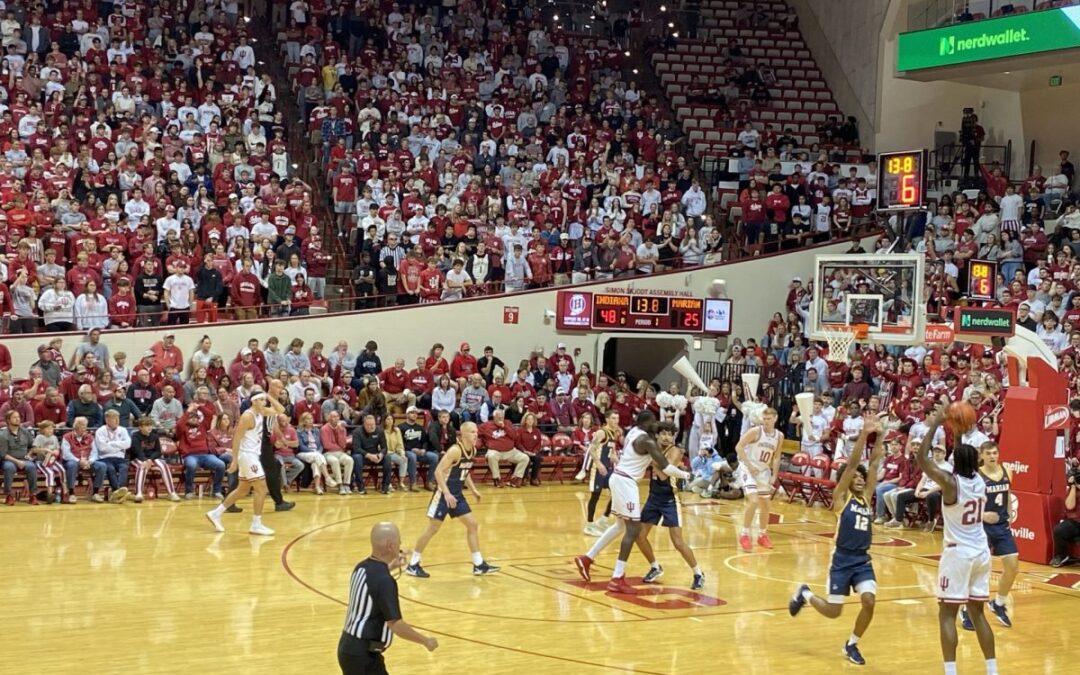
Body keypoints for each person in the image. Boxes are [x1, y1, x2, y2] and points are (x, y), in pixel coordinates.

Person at [790, 416, 886, 666]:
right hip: (842, 559)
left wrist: (882, 434)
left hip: (862, 560)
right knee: (834, 612)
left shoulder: (865, 497)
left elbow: (874, 463)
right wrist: (864, 434)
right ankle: (806, 594)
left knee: (870, 601)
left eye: (861, 478)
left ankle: (852, 643)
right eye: (855, 477)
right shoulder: (841, 498)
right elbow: (854, 463)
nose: (860, 479)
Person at [573, 411, 691, 594]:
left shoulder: (633, 432)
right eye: (653, 422)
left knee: (620, 526)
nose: (655, 424)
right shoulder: (646, 441)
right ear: (647, 423)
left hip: (621, 478)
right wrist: (686, 474)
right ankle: (617, 578)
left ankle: (587, 558)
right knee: (633, 530)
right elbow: (666, 468)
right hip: (626, 482)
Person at [917, 412, 998, 675]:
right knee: (978, 614)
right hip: (981, 552)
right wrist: (959, 429)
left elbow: (922, 459)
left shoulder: (951, 483)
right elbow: (963, 454)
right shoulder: (980, 482)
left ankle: (951, 672)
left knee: (947, 614)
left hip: (958, 554)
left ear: (954, 462)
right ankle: (992, 670)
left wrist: (937, 424)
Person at [338, 522, 439, 674]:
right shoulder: (385, 581)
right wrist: (426, 641)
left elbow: (373, 582)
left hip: (349, 648)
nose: (401, 544)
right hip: (363, 655)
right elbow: (396, 625)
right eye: (399, 540)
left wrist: (390, 567)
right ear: (390, 545)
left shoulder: (361, 567)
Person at [405, 421, 499, 578]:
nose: (475, 434)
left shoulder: (473, 450)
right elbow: (438, 472)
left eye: (476, 432)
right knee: (432, 529)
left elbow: (465, 471)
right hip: (443, 496)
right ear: (462, 434)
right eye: (471, 432)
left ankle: (478, 564)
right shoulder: (455, 450)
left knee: (473, 525)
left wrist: (473, 489)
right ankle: (413, 564)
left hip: (457, 496)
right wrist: (447, 493)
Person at [206, 383, 287, 536]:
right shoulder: (247, 416)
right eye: (261, 400)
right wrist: (235, 461)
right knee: (261, 489)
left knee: (242, 489)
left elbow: (281, 410)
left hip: (252, 455)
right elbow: (236, 439)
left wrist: (268, 395)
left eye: (264, 400)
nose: (264, 402)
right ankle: (256, 524)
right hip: (247, 456)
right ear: (254, 401)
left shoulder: (260, 413)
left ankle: (215, 513)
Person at [636, 422, 706, 590]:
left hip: (669, 499)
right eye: (664, 434)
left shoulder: (675, 451)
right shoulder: (654, 449)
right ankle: (655, 567)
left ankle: (698, 573)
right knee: (639, 535)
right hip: (653, 497)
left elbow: (662, 474)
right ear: (657, 436)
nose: (667, 437)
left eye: (670, 434)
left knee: (677, 541)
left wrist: (650, 460)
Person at [960, 441, 1018, 631]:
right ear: (981, 456)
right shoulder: (976, 476)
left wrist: (1009, 515)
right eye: (989, 453)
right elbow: (966, 503)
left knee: (1012, 567)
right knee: (978, 570)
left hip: (1001, 526)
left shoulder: (1007, 471)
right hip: (980, 526)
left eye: (995, 452)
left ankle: (998, 603)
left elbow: (1008, 494)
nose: (993, 456)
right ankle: (966, 609)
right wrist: (983, 515)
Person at [735, 407, 785, 551]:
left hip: (763, 471)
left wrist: (774, 474)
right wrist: (749, 466)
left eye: (769, 419)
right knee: (754, 501)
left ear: (775, 419)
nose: (766, 421)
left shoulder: (779, 436)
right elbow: (739, 447)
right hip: (748, 468)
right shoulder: (756, 431)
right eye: (764, 419)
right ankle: (744, 534)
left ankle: (762, 535)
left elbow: (776, 457)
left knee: (766, 505)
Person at [583, 410, 620, 536]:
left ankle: (604, 519)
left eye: (617, 418)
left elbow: (611, 451)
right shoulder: (601, 432)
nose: (616, 421)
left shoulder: (613, 433)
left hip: (608, 469)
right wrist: (598, 464)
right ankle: (589, 525)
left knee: (617, 493)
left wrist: (617, 461)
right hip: (597, 469)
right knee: (595, 496)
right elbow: (592, 450)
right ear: (607, 419)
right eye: (614, 418)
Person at [1050, 464, 1079, 567]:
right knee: (1059, 530)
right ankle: (1063, 556)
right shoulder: (1074, 487)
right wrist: (1073, 487)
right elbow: (1070, 506)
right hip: (1075, 521)